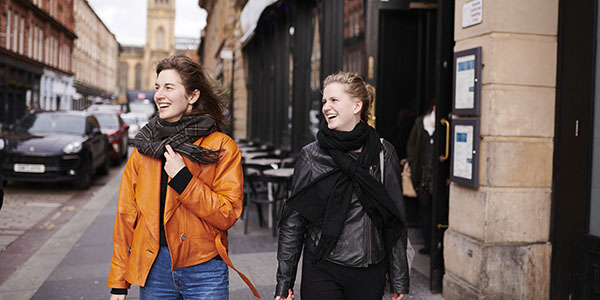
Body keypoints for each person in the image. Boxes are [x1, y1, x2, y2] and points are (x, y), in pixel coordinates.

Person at [107, 54, 258, 300]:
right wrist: (118, 283)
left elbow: (228, 214)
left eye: (169, 87)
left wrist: (184, 181)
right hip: (154, 269)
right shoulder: (145, 149)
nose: (159, 95)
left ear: (192, 96)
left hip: (205, 268)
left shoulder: (220, 147)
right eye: (157, 87)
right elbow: (126, 217)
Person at [275, 71, 410, 300]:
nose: (326, 107)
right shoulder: (311, 155)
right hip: (322, 267)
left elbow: (394, 217)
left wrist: (399, 279)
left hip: (370, 270)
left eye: (334, 100)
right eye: (325, 101)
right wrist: (284, 283)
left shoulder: (382, 152)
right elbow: (294, 222)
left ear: (357, 106)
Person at [406, 103, 436, 255]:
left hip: (438, 174)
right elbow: (412, 147)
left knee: (437, 209)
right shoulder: (421, 123)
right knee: (425, 207)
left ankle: (435, 243)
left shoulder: (445, 124)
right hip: (424, 172)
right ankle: (427, 242)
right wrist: (413, 165)